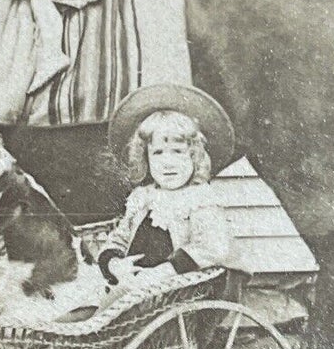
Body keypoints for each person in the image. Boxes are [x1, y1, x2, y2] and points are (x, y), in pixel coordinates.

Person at [98, 84, 238, 289]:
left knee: (102, 312)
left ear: (194, 156)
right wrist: (116, 265)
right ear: (145, 158)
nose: (168, 163)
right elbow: (119, 239)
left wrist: (165, 271)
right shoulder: (143, 198)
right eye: (158, 153)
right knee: (84, 311)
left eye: (177, 151)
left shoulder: (199, 199)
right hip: (134, 286)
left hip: (180, 289)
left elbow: (212, 247)